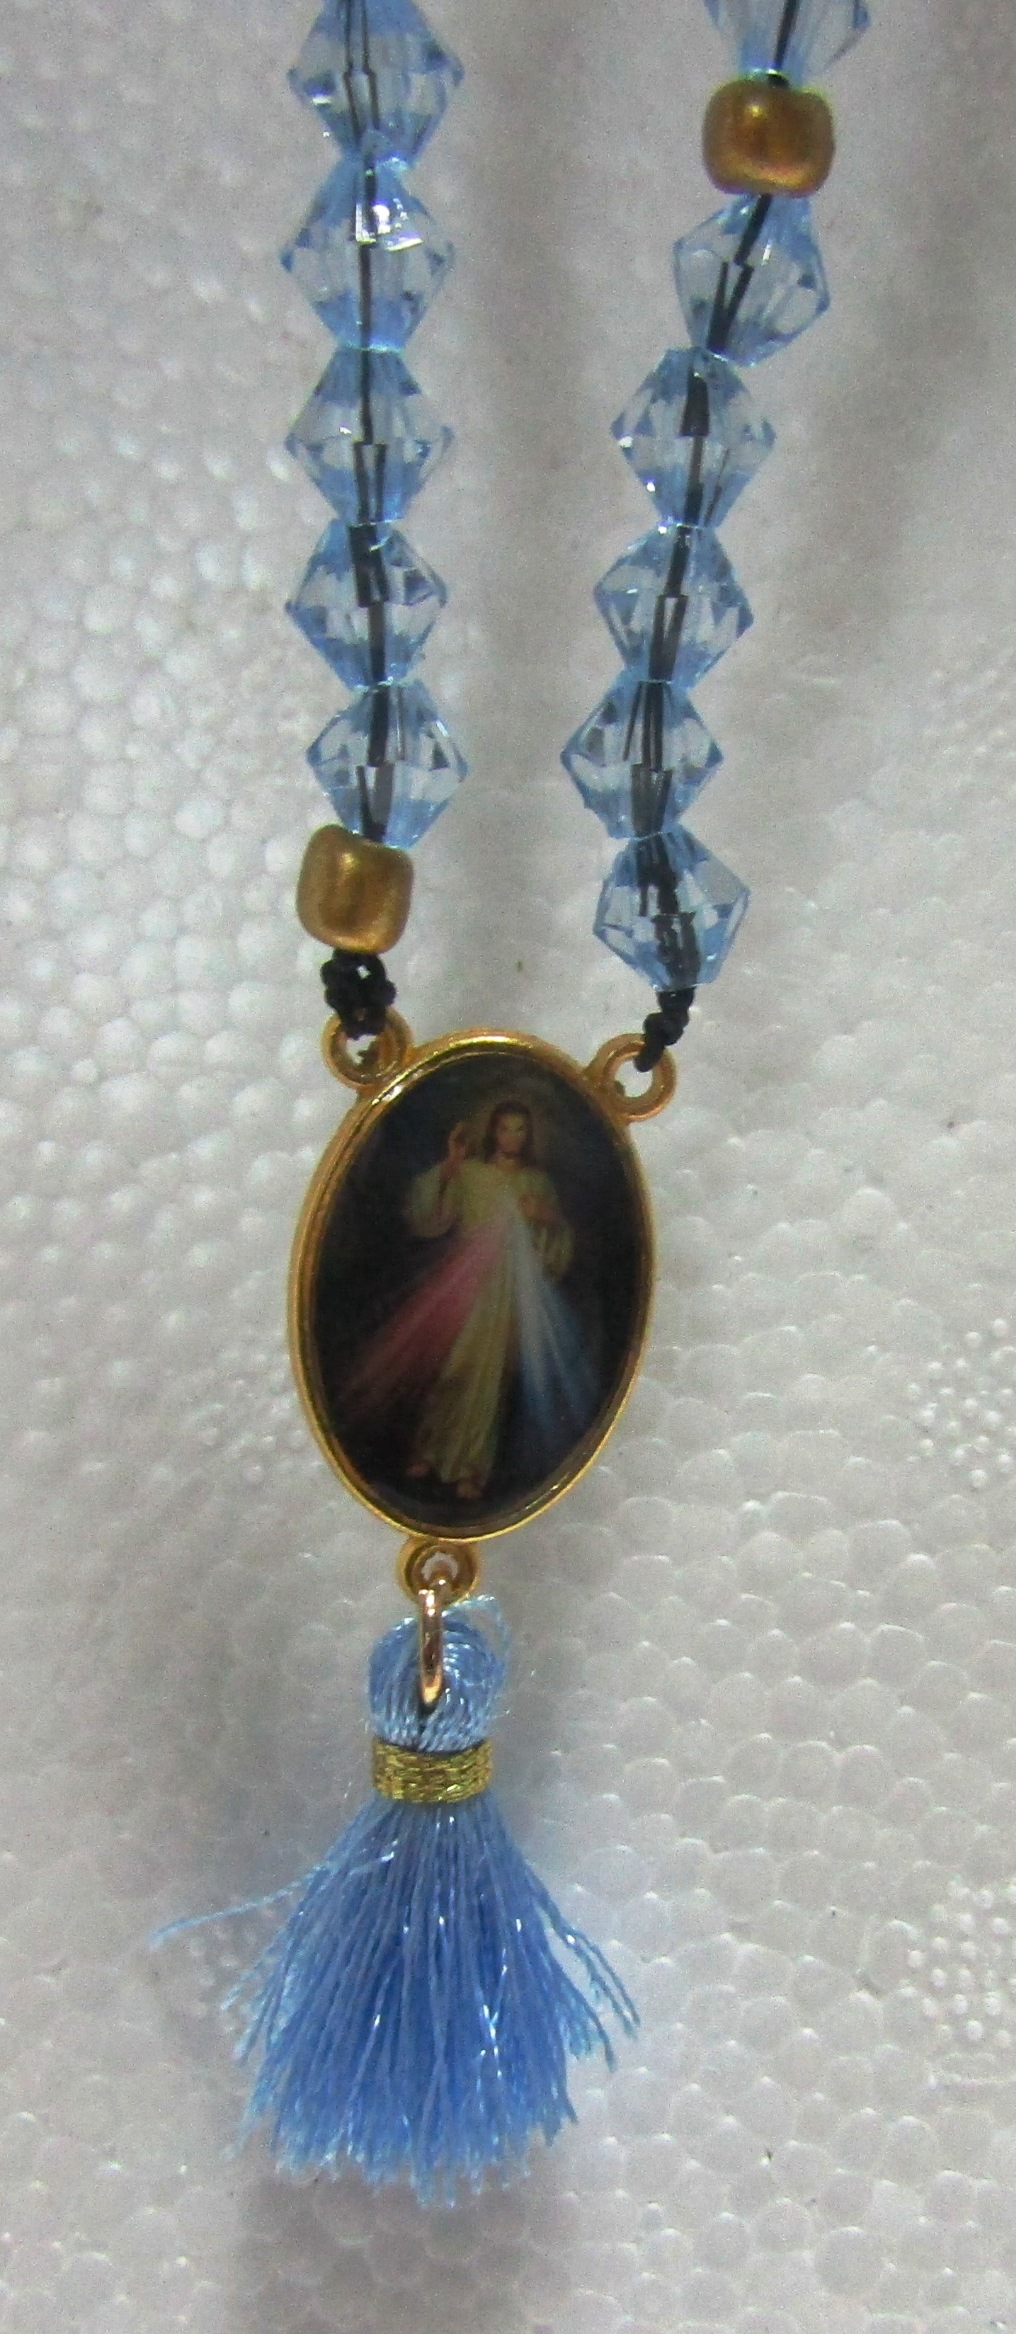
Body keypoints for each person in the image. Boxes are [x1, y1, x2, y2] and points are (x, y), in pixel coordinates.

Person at [343, 1099, 596, 1503]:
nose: (512, 1137)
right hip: (463, 1284)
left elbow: (555, 1248)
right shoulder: (472, 1173)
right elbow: (428, 1216)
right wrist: (450, 1166)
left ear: (528, 1136)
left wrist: (546, 1218)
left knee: (489, 1380)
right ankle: (429, 1450)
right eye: (505, 1128)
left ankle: (473, 1469)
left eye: (520, 1130)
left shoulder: (537, 1183)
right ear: (493, 1132)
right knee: (453, 1368)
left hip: (509, 1291)